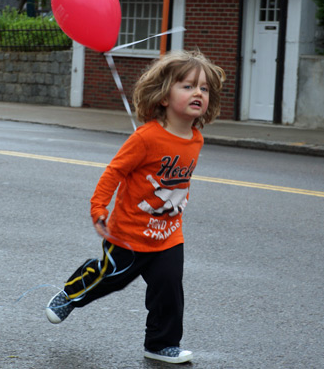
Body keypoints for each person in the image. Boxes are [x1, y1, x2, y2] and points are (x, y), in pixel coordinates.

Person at [45, 50, 225, 364]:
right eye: (187, 86)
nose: (198, 93)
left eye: (204, 88)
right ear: (164, 96)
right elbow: (114, 171)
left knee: (169, 288)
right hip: (128, 234)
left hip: (168, 234)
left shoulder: (196, 139)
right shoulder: (146, 138)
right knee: (109, 278)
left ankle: (160, 343)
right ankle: (70, 294)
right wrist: (99, 207)